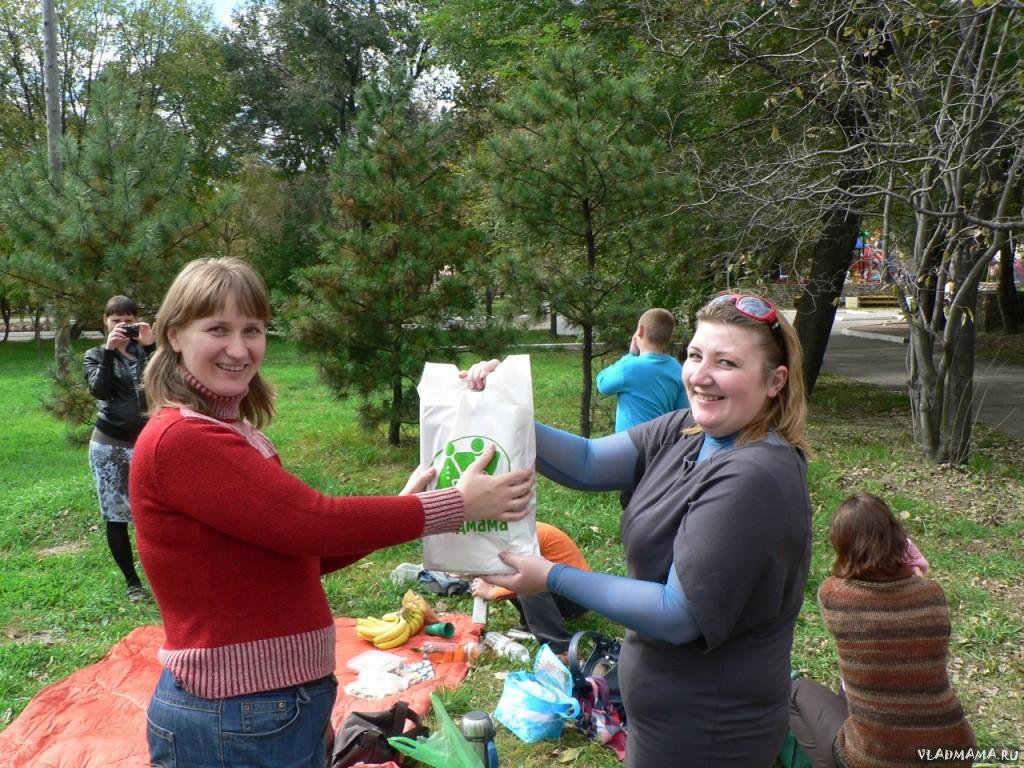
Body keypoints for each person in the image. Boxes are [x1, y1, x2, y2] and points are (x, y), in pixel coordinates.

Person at [131, 257, 534, 768]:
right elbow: (312, 521)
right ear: (173, 334)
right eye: (218, 329)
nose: (239, 349)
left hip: (266, 703)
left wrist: (408, 503)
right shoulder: (183, 440)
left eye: (252, 330)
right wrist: (450, 506)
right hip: (235, 713)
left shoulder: (229, 432)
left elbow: (303, 549)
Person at [466, 292, 812, 767]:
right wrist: (508, 409)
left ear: (775, 382)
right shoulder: (687, 431)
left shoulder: (753, 475)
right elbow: (587, 462)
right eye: (695, 355)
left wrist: (550, 576)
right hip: (662, 715)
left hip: (708, 731)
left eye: (726, 362)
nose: (700, 376)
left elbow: (677, 613)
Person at [788, 493, 975, 768]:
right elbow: (915, 579)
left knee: (795, 691)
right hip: (954, 750)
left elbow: (849, 580)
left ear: (841, 545)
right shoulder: (932, 594)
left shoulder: (834, 595)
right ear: (898, 538)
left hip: (878, 759)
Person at [83, 295, 155, 602]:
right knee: (116, 515)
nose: (122, 325)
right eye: (116, 320)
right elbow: (100, 390)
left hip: (148, 443)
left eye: (128, 319)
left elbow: (165, 383)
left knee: (154, 514)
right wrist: (111, 353)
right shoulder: (95, 355)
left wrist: (152, 347)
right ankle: (132, 583)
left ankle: (163, 577)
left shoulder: (146, 352)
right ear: (105, 322)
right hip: (109, 445)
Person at [470, 521, 590, 654]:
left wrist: (493, 592)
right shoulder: (510, 537)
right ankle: (531, 624)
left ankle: (560, 647)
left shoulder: (527, 539)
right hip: (562, 589)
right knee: (515, 578)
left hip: (578, 598)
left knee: (530, 588)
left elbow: (529, 578)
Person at [596, 307, 688, 432]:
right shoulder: (677, 369)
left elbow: (603, 384)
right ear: (669, 336)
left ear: (640, 330)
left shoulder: (629, 367)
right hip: (660, 444)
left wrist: (630, 356)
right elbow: (682, 413)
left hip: (629, 446)